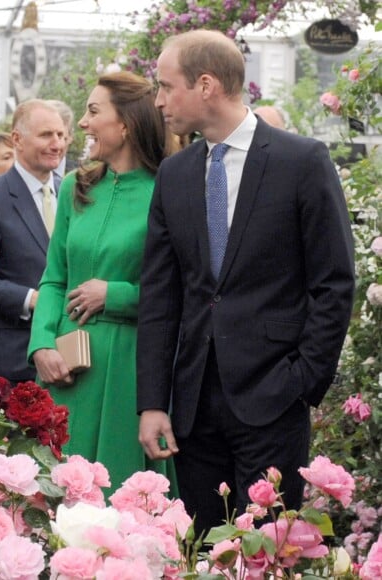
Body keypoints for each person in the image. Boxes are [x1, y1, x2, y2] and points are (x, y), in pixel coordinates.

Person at [136, 30, 355, 536]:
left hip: (274, 397)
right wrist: (153, 402)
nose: (160, 100)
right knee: (203, 554)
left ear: (206, 85)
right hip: (193, 406)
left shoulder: (302, 162)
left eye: (167, 86)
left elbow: (334, 282)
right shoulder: (174, 174)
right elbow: (161, 296)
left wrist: (302, 381)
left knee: (269, 550)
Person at [28, 71, 177, 494]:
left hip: (129, 372)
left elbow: (183, 290)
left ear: (126, 123)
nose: (82, 123)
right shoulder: (77, 186)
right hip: (65, 370)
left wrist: (115, 294)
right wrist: (40, 344)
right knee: (52, 500)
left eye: (93, 111)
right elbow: (54, 278)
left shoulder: (167, 189)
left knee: (119, 503)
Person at [0, 100, 65, 382]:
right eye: (46, 135)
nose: (57, 144)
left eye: (61, 135)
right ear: (17, 139)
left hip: (68, 356)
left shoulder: (74, 195)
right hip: (12, 362)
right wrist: (31, 299)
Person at [47, 99, 77, 177]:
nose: (56, 146)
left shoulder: (83, 175)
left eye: (61, 137)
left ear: (71, 137)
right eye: (47, 136)